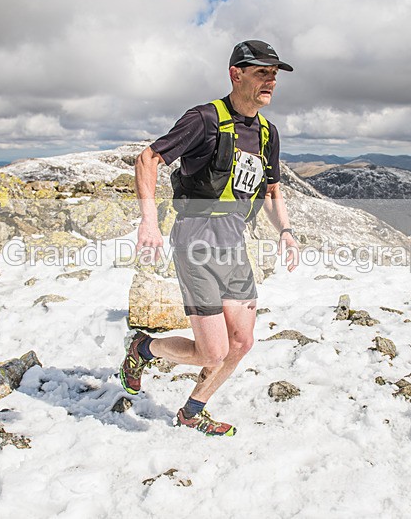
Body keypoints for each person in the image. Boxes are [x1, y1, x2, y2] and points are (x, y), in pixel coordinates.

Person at [120, 40, 299, 436]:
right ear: (236, 74)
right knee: (212, 351)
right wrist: (148, 221)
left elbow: (270, 190)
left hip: (234, 244)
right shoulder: (203, 119)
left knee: (242, 343)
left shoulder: (268, 133)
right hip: (195, 241)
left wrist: (285, 231)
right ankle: (143, 349)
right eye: (261, 73)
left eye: (274, 74)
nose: (270, 81)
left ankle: (192, 411)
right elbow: (147, 158)